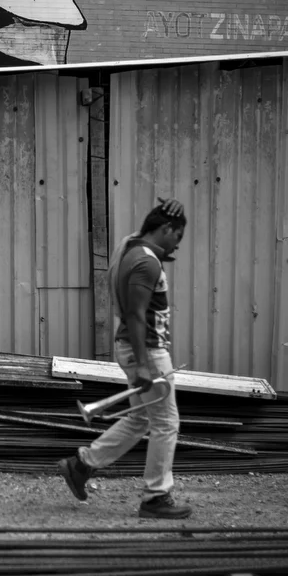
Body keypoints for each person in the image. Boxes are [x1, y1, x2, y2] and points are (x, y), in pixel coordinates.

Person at [57, 198, 191, 519]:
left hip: (133, 348)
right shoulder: (146, 263)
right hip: (145, 350)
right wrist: (145, 365)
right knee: (166, 423)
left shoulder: (129, 247)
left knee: (141, 418)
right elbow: (135, 314)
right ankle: (155, 497)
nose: (177, 245)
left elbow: (143, 235)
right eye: (177, 236)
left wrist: (170, 213)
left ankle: (82, 464)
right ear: (166, 229)